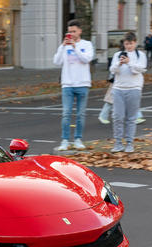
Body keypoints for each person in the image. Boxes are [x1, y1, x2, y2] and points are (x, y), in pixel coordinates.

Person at [53, 20, 94, 151]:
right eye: (70, 32)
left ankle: (78, 139)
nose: (72, 34)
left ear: (80, 31)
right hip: (67, 83)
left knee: (81, 114)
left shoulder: (86, 44)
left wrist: (75, 47)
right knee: (66, 113)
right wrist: (62, 46)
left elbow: (87, 59)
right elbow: (56, 61)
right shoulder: (65, 46)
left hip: (82, 83)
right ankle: (65, 140)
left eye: (74, 31)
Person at [109, 32, 147, 153]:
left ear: (135, 43)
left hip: (134, 88)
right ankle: (118, 142)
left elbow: (140, 69)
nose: (129, 46)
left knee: (131, 118)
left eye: (131, 43)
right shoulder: (117, 55)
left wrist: (129, 62)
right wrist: (119, 63)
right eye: (126, 44)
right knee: (118, 117)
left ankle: (129, 143)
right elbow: (112, 70)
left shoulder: (140, 55)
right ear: (123, 44)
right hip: (118, 88)